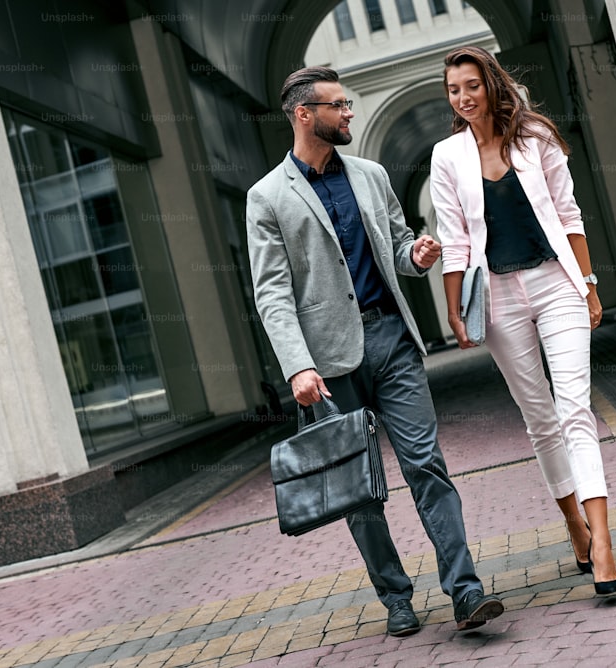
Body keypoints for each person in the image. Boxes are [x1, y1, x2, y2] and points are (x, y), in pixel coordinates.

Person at [246, 66, 505, 637]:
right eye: (338, 106)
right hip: (326, 367)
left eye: (349, 104)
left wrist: (418, 254)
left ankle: (465, 592)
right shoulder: (266, 197)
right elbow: (272, 293)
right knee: (357, 490)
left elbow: (398, 244)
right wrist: (297, 367)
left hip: (390, 340)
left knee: (427, 467)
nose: (349, 114)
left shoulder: (369, 174)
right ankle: (395, 597)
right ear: (303, 114)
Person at [429, 45, 616, 596]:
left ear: (490, 84)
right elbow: (455, 241)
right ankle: (573, 524)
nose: (463, 98)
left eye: (471, 85)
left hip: (553, 282)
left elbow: (569, 214)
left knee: (575, 409)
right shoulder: (448, 156)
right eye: (453, 90)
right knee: (539, 418)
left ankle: (603, 542)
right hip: (497, 299)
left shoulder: (534, 138)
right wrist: (454, 310)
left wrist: (587, 285)